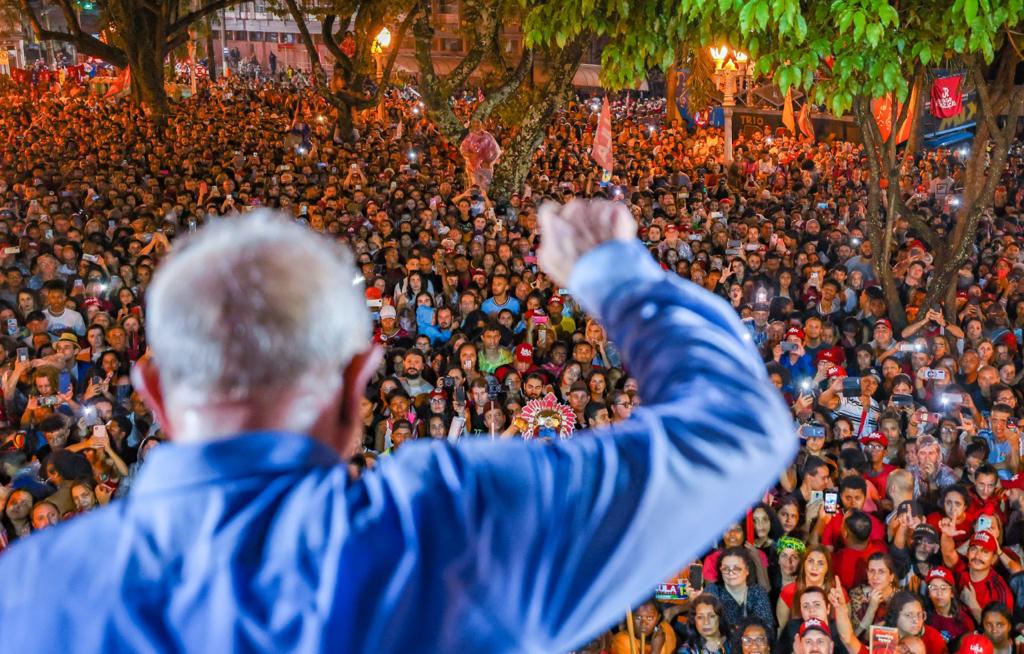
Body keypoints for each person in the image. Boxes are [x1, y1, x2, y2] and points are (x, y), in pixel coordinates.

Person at [0, 201, 797, 651]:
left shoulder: (26, 594)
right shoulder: (453, 525)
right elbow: (737, 424)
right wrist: (611, 271)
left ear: (151, 390)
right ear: (358, 385)